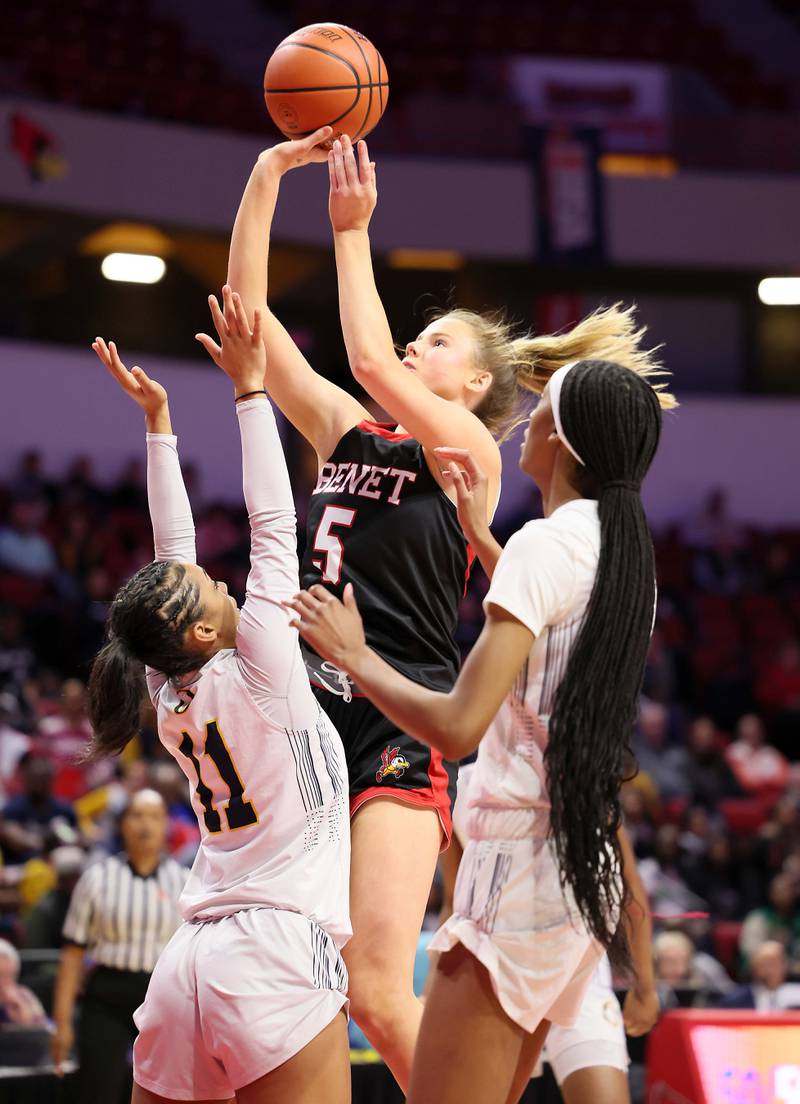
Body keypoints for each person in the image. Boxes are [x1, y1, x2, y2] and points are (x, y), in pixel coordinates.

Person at [225, 125, 674, 1090]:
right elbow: (253, 322)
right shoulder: (346, 428)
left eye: (437, 342)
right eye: (416, 335)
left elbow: (372, 358)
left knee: (380, 989)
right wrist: (264, 180)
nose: (411, 349)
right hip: (307, 714)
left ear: (475, 384)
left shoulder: (464, 447)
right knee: (328, 981)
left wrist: (352, 230)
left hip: (403, 712)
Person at [287, 356, 664, 1103]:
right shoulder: (622, 556)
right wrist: (480, 538)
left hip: (517, 869)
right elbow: (549, 625)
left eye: (542, 408)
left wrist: (356, 656)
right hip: (578, 876)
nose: (530, 417)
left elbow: (458, 728)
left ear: (564, 438)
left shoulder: (545, 545)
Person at [87, 289, 351, 1104]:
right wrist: (250, 389)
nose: (213, 571)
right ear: (200, 631)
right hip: (276, 952)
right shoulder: (264, 662)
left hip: (187, 963)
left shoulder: (167, 690)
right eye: (204, 583)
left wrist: (158, 429)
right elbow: (274, 519)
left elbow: (172, 553)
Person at [440, 764, 659, 1104]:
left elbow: (630, 893)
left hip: (579, 978)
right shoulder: (461, 784)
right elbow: (455, 900)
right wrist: (434, 988)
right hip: (497, 976)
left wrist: (644, 986)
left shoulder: (574, 777)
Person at [51, 790, 185, 1102]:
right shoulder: (97, 878)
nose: (145, 825)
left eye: (154, 817)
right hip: (106, 996)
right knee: (99, 1092)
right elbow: (72, 954)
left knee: (164, 1095)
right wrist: (62, 1023)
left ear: (166, 825)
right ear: (123, 824)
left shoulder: (184, 881)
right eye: (137, 816)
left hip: (161, 999)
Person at [718, 940, 800, 1010]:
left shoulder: (796, 994)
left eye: (773, 963)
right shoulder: (736, 1000)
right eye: (764, 964)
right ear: (755, 968)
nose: (769, 969)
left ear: (784, 965)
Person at [0, 938, 47, 1026]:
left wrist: (21, 1010)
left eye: (9, 975)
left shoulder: (24, 995)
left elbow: (45, 1028)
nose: (3, 982)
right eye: (0, 975)